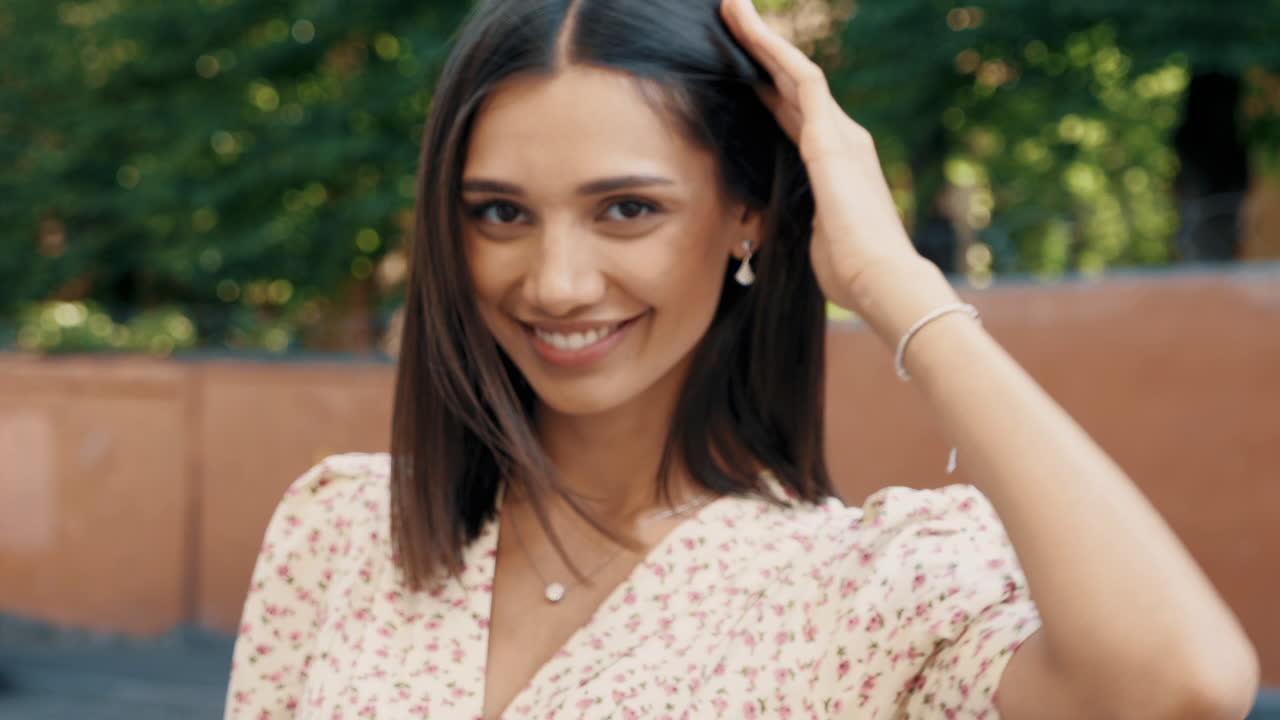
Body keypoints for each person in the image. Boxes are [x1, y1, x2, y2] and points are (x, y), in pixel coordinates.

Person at [223, 0, 1260, 717]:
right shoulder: (343, 529)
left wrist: (892, 281)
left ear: (746, 217)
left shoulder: (861, 593)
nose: (554, 282)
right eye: (498, 213)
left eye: (625, 209)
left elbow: (1175, 683)